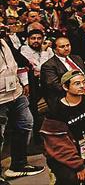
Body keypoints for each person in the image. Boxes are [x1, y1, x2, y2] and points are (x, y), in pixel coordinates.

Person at [40, 70, 85, 185]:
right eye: (77, 83)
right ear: (65, 87)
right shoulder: (55, 112)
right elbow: (58, 145)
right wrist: (78, 165)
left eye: (84, 82)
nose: (82, 86)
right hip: (63, 157)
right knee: (71, 179)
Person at [0, 32, 45, 182]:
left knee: (26, 125)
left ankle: (18, 165)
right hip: (0, 99)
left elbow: (17, 63)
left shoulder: (4, 41)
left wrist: (23, 81)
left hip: (16, 92)